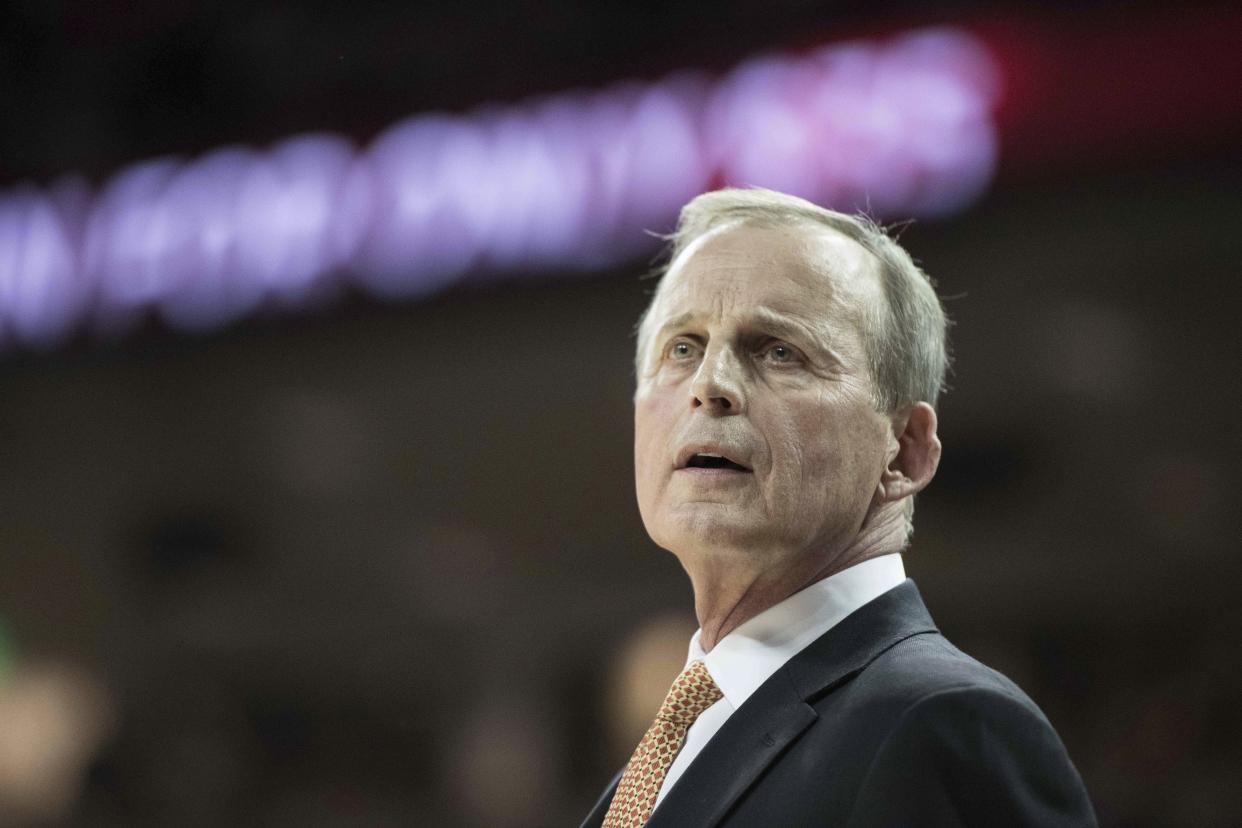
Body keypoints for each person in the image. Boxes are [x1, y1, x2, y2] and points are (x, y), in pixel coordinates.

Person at [581, 188, 1096, 827]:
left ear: (904, 451)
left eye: (778, 350)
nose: (708, 385)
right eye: (682, 348)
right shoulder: (677, 740)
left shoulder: (944, 723)